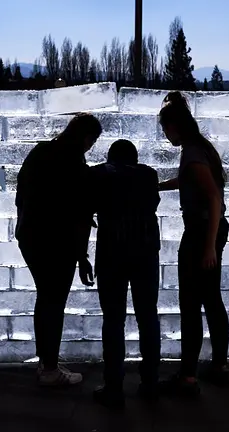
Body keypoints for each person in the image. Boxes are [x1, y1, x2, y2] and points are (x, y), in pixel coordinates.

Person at [15, 113, 102, 386]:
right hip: (58, 243)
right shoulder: (75, 165)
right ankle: (50, 369)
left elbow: (20, 194)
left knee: (45, 299)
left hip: (31, 238)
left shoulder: (40, 152)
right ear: (86, 137)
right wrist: (82, 256)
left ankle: (46, 362)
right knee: (54, 302)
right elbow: (80, 213)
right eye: (92, 141)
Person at [157, 91, 229, 396]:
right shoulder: (200, 149)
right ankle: (219, 367)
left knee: (191, 303)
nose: (165, 134)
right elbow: (191, 182)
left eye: (165, 128)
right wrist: (157, 184)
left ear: (175, 126)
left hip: (202, 232)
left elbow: (213, 198)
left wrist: (209, 246)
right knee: (211, 299)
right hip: (209, 230)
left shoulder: (192, 153)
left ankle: (188, 377)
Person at [88, 139, 161, 408]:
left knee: (113, 320)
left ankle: (114, 386)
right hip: (145, 252)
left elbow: (88, 209)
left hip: (111, 254)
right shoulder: (149, 174)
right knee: (147, 317)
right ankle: (151, 383)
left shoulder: (98, 174)